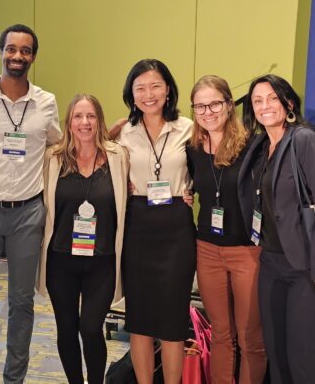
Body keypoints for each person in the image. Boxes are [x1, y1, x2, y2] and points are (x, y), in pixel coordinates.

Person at [0, 24, 62, 384]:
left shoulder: (46, 102)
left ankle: (13, 378)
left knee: (22, 303)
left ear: (33, 56)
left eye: (25, 50)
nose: (18, 56)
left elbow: (57, 144)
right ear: (1, 51)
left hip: (28, 213)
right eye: (11, 49)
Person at [238, 74, 315, 384]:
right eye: (258, 101)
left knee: (302, 363)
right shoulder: (261, 145)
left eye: (272, 98)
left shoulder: (303, 139)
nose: (264, 106)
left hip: (305, 269)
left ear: (288, 103)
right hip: (271, 263)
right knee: (278, 359)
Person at [37, 94, 130, 384]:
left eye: (91, 116)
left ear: (99, 121)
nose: (85, 122)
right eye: (78, 116)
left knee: (90, 328)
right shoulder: (52, 158)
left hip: (102, 260)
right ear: (69, 122)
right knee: (66, 328)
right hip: (60, 259)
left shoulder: (118, 157)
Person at [117, 59, 195, 384]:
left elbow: (210, 167)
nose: (148, 94)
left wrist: (191, 191)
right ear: (131, 94)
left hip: (177, 225)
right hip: (138, 225)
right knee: (140, 319)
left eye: (155, 86)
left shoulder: (189, 128)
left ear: (168, 90)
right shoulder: (123, 131)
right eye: (140, 88)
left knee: (173, 320)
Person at [187, 75, 265, 384]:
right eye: (200, 106)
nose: (208, 111)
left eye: (215, 103)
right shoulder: (192, 149)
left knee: (250, 338)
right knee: (220, 334)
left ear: (229, 105)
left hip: (246, 251)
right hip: (206, 250)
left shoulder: (251, 146)